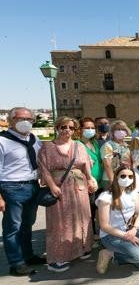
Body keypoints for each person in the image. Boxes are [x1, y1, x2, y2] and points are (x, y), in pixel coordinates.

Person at [38, 116, 98, 272]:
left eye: (71, 128)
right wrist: (51, 186)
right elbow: (44, 169)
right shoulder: (47, 147)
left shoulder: (79, 146)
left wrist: (91, 180)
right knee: (60, 223)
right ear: (57, 128)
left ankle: (82, 248)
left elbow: (86, 167)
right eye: (64, 127)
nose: (67, 130)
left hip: (79, 187)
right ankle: (57, 258)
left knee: (82, 218)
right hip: (59, 187)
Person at [0, 107, 45, 276]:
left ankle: (28, 255)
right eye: (20, 118)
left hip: (32, 186)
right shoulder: (2, 141)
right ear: (11, 120)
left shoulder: (34, 139)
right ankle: (16, 263)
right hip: (12, 187)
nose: (25, 122)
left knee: (27, 224)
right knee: (13, 227)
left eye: (29, 119)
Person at [95, 166, 139, 274]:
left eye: (130, 176)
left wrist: (134, 230)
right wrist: (127, 236)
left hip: (129, 231)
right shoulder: (106, 197)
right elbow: (104, 226)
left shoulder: (133, 193)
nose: (127, 179)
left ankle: (118, 254)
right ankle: (108, 253)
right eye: (123, 176)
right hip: (110, 236)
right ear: (116, 177)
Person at [78, 117, 104, 237]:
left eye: (92, 128)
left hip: (99, 181)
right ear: (80, 129)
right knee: (89, 211)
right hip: (86, 182)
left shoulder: (94, 142)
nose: (90, 130)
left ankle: (96, 232)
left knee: (97, 208)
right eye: (87, 128)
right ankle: (90, 235)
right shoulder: (78, 144)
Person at [100, 120, 132, 190]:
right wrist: (112, 182)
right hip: (110, 180)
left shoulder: (126, 146)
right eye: (118, 129)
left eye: (123, 129)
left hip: (124, 178)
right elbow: (107, 165)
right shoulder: (108, 145)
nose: (120, 131)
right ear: (112, 132)